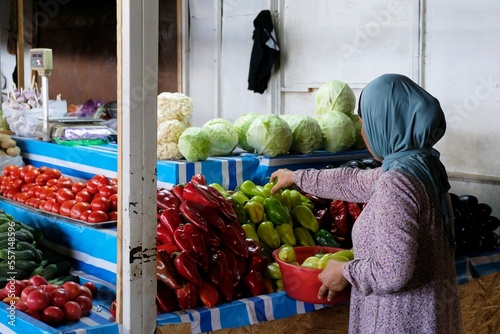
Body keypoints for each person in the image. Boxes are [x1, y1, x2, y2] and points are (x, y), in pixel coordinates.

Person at [270, 73, 463, 334]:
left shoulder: (397, 182)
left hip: (399, 322)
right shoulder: (421, 166)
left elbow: (393, 271)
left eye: (365, 123)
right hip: (425, 317)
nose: (363, 132)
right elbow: (353, 181)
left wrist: (346, 271)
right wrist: (296, 177)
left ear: (384, 124)